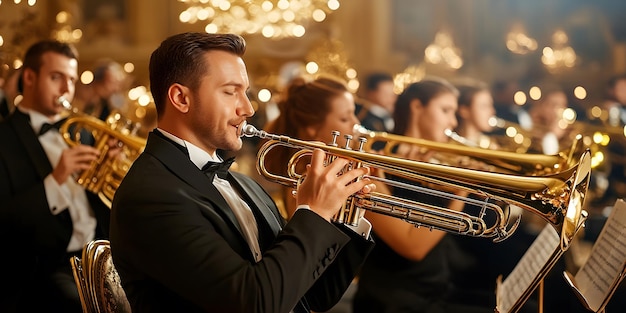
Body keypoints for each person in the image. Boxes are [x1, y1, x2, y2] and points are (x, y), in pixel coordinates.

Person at [109, 32, 376, 313]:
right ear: (180, 98)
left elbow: (313, 296)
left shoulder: (243, 184)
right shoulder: (150, 195)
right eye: (229, 91)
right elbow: (254, 303)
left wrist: (346, 215)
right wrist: (313, 214)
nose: (247, 108)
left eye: (245, 92)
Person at [352, 78, 494, 313]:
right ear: (417, 107)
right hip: (395, 301)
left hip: (435, 287)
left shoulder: (431, 159)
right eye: (446, 110)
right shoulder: (378, 166)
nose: (453, 121)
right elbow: (413, 247)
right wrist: (461, 188)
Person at [0, 40, 112, 312]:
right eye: (56, 77)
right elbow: (5, 220)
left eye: (71, 80)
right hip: (45, 266)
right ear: (29, 77)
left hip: (101, 256)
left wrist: (108, 168)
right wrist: (57, 178)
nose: (67, 89)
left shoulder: (81, 132)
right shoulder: (4, 139)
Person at [263, 75, 361, 218]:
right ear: (312, 128)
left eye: (354, 113)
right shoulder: (306, 182)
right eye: (344, 118)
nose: (356, 123)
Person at [453, 79, 497, 149]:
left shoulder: (491, 145)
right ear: (464, 111)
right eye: (484, 106)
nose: (492, 111)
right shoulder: (451, 145)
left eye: (491, 105)